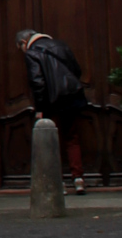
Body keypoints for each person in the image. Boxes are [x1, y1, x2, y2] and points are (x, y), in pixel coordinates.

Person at [16, 27, 91, 193]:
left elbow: (38, 83)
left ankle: (59, 182)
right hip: (71, 98)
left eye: (20, 48)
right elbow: (76, 70)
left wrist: (40, 109)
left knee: (51, 141)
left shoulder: (31, 53)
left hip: (52, 102)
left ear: (23, 42)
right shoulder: (61, 45)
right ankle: (78, 179)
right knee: (72, 138)